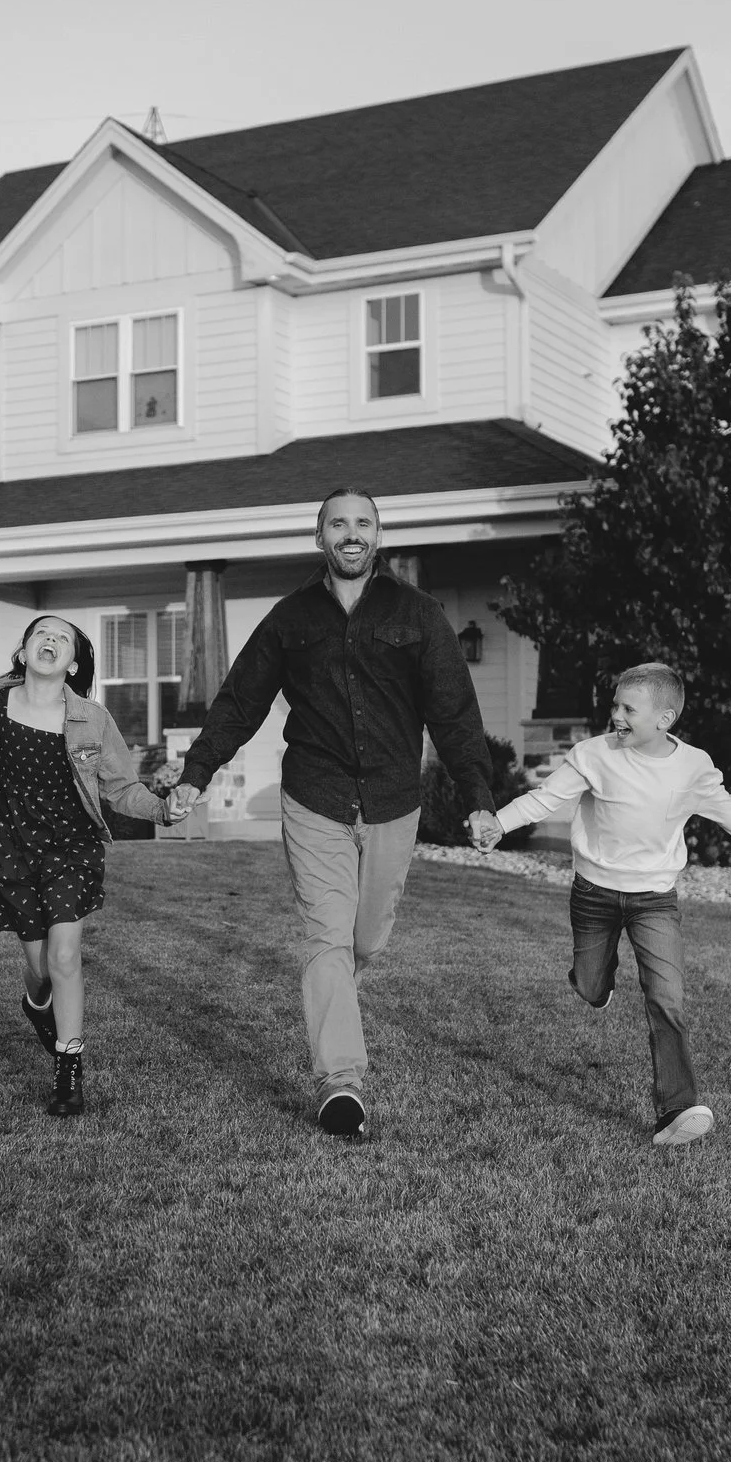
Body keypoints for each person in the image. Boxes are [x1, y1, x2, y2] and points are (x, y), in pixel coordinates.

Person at [158, 489, 493, 1141]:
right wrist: (196, 773)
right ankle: (341, 1079)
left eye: (362, 523)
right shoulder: (290, 617)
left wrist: (479, 797)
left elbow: (454, 712)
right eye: (338, 523)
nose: (351, 533)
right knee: (326, 936)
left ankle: (335, 1000)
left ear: (378, 534)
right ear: (321, 536)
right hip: (315, 795)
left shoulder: (417, 614)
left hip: (393, 799)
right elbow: (239, 702)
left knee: (365, 940)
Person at [469, 661, 731, 1146]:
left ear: (664, 718)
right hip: (593, 894)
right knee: (590, 985)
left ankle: (678, 1108)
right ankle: (596, 981)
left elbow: (727, 807)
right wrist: (499, 824)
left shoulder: (692, 766)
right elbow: (545, 799)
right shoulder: (595, 756)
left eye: (628, 708)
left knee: (667, 996)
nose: (616, 715)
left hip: (654, 899)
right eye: (615, 704)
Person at [0, 615, 179, 1117]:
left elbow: (120, 787)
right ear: (22, 652)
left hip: (70, 847)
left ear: (73, 663)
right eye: (42, 633)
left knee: (64, 959)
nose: (51, 640)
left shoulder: (93, 719)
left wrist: (162, 809)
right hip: (10, 847)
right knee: (39, 971)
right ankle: (36, 1004)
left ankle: (69, 1065)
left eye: (64, 638)